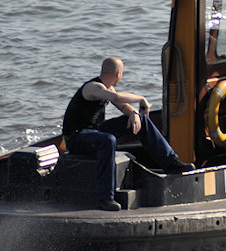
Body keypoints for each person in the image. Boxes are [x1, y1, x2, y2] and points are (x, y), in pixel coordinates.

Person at [62, 56, 194, 211]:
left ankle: (171, 163)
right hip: (76, 138)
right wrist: (141, 99)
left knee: (142, 121)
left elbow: (123, 106)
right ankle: (105, 198)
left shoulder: (107, 88)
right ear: (118, 74)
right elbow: (116, 97)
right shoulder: (93, 87)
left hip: (94, 131)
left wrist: (134, 114)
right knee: (108, 140)